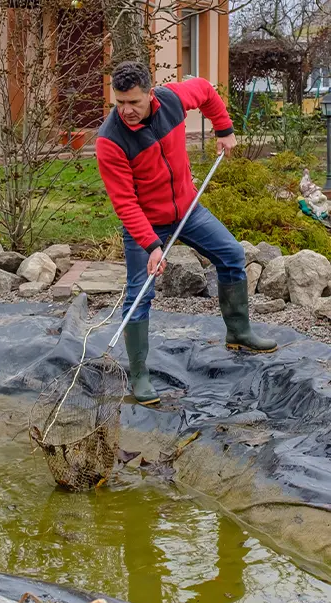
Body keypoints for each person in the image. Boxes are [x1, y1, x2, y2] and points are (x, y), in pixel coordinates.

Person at [96, 61, 277, 406]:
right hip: (144, 222)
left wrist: (224, 129)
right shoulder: (110, 141)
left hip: (187, 208)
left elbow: (207, 91)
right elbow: (125, 203)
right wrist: (151, 245)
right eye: (119, 103)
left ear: (151, 94)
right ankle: (138, 372)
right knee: (140, 293)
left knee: (231, 255)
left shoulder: (173, 100)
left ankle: (238, 332)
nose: (126, 111)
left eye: (133, 102)